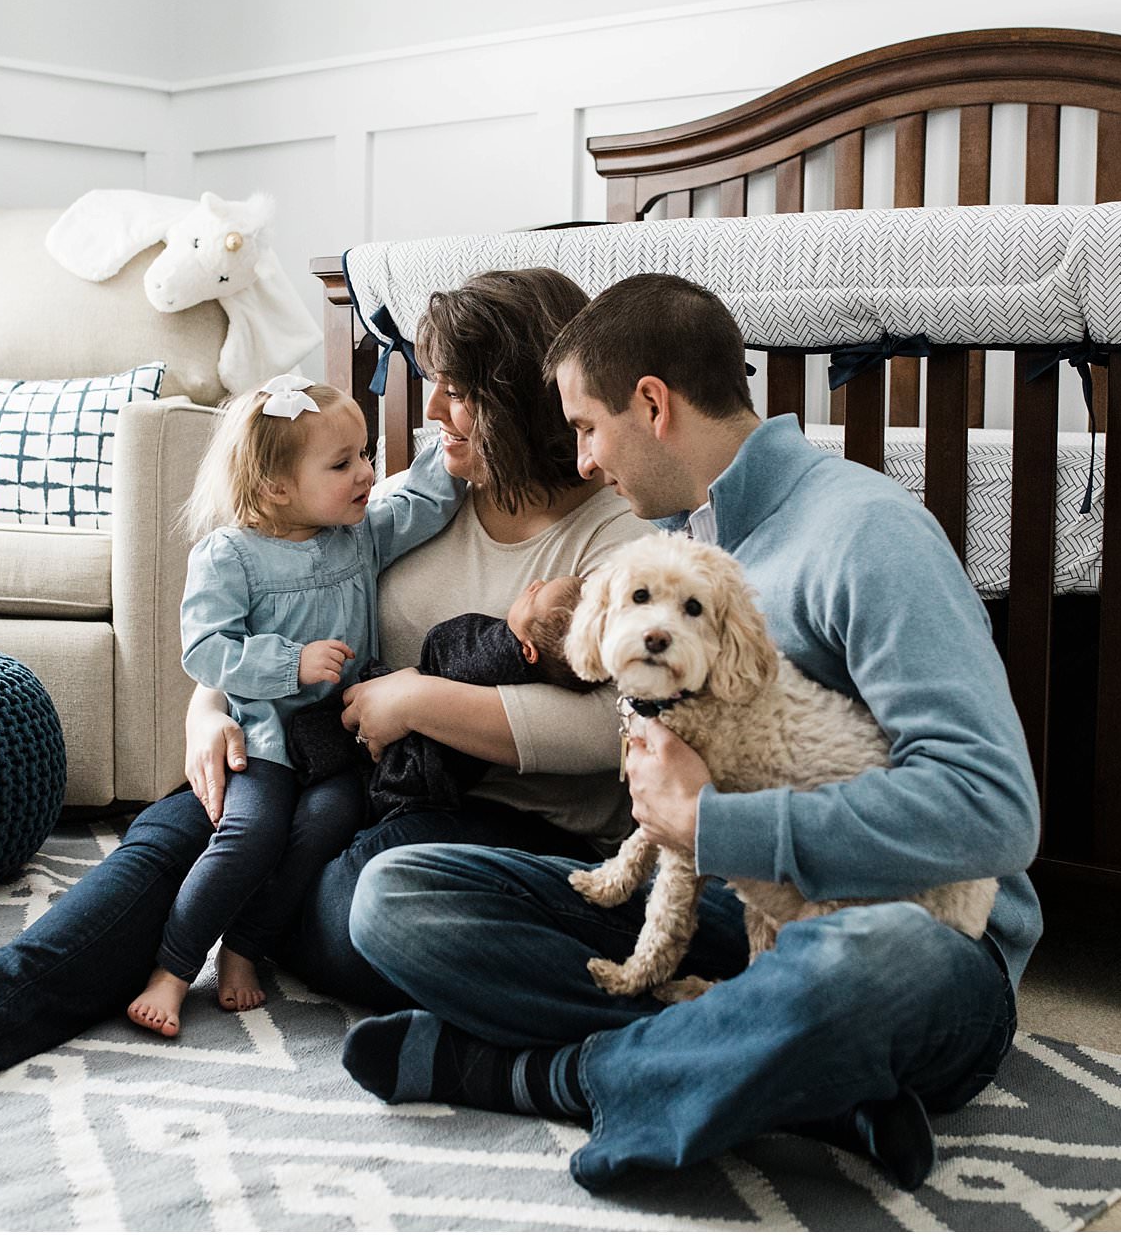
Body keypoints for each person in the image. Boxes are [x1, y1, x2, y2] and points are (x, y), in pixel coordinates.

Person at [0, 267, 647, 1099]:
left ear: (529, 397)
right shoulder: (430, 484)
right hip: (350, 760)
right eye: (434, 379)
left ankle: (245, 927)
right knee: (180, 825)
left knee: (345, 902)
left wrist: (413, 699)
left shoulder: (614, 533)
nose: (435, 405)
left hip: (498, 817)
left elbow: (611, 730)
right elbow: (287, 596)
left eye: (462, 388)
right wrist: (211, 702)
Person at [339, 273, 1043, 1193]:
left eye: (588, 428)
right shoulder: (664, 548)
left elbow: (994, 811)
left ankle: (540, 1075)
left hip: (907, 928)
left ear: (653, 405)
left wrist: (716, 825)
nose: (583, 460)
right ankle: (801, 1080)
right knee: (395, 897)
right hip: (721, 914)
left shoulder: (867, 534)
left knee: (879, 967)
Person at [128, 374, 464, 1034]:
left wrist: (456, 450)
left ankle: (245, 948)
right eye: (343, 463)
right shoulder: (230, 555)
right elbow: (204, 649)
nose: (368, 473)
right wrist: (289, 661)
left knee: (325, 825)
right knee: (250, 835)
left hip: (338, 742)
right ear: (276, 486)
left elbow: (423, 502)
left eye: (366, 453)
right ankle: (171, 968)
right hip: (267, 740)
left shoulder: (358, 534)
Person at [346, 573, 589, 825]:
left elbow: (445, 643)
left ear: (528, 651)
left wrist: (408, 695)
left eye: (534, 598)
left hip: (408, 767)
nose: (535, 584)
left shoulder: (493, 656)